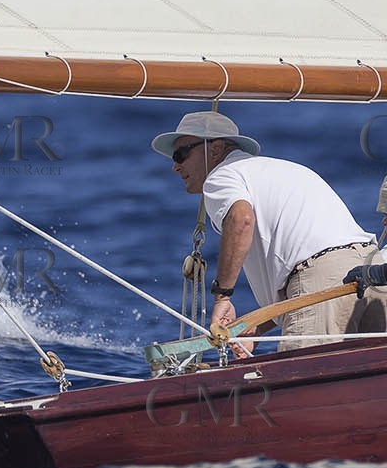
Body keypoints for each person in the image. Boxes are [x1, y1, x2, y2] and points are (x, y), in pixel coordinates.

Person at [155, 110, 379, 352]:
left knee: (300, 382)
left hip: (329, 282)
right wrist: (257, 326)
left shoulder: (221, 176)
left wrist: (222, 297)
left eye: (181, 154)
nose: (175, 167)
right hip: (374, 273)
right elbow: (322, 258)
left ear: (215, 148)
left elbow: (241, 220)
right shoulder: (282, 169)